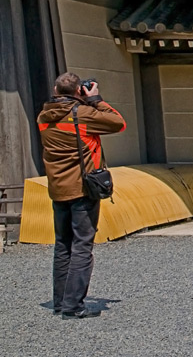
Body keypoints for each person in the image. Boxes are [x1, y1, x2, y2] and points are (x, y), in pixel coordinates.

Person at [38, 72, 126, 318]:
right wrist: (95, 98)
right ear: (79, 91)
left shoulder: (43, 116)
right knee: (82, 247)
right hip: (82, 189)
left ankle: (59, 303)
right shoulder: (83, 115)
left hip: (58, 189)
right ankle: (73, 306)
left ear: (55, 91)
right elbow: (118, 122)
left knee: (62, 246)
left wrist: (79, 99)